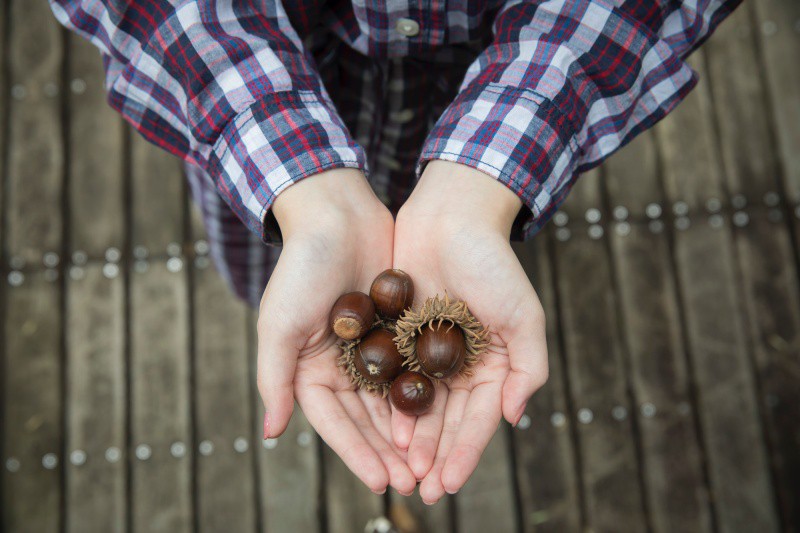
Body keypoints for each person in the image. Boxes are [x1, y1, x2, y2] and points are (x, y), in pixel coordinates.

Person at [49, 0, 741, 504]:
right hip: (282, 89)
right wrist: (303, 194)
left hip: (493, 75)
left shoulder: (409, 325)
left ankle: (498, 217)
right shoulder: (376, 322)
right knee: (266, 266)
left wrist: (491, 183)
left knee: (509, 228)